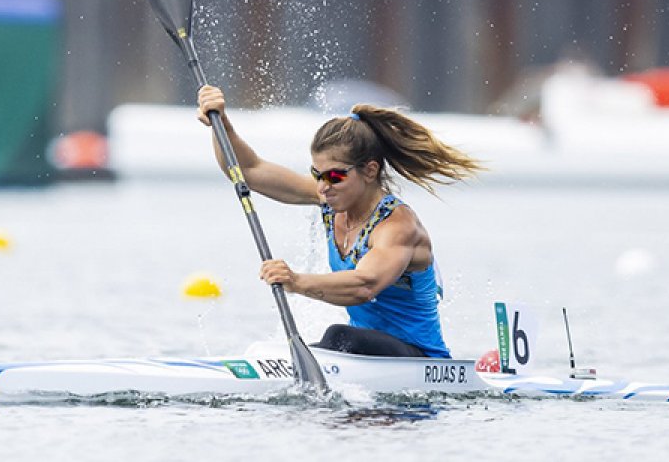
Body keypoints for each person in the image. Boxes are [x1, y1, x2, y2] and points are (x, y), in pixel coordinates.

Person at [196, 85, 482, 359]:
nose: (322, 186)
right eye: (316, 174)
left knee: (338, 336)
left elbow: (364, 286)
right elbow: (248, 170)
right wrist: (222, 125)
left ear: (370, 171)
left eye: (334, 176)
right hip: (362, 353)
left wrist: (296, 281)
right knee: (316, 345)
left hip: (417, 358)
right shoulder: (332, 202)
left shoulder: (397, 225)